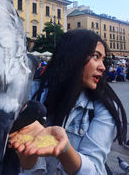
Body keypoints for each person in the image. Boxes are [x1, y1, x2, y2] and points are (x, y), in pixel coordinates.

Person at [9, 29, 127, 175]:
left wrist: (64, 149)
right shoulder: (32, 92)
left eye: (103, 59)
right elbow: (25, 167)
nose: (102, 67)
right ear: (74, 57)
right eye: (96, 57)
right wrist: (30, 148)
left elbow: (94, 170)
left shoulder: (103, 107)